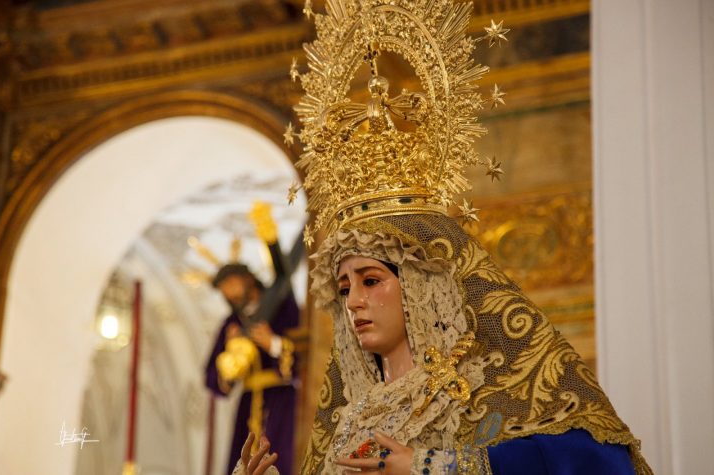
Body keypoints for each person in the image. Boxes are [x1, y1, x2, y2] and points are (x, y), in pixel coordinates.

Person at [236, 0, 652, 473]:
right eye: (345, 287)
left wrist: (433, 465)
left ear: (419, 285)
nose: (354, 302)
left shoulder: (480, 389)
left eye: (371, 280)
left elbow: (598, 459)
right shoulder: (349, 418)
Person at [205, 263, 299, 475]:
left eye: (231, 284)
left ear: (248, 279)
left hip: (281, 402)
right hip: (247, 408)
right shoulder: (232, 324)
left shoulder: (284, 308)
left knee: (281, 458)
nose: (229, 294)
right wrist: (230, 356)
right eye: (223, 290)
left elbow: (308, 357)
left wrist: (273, 344)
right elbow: (212, 378)